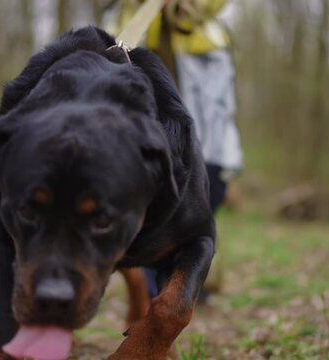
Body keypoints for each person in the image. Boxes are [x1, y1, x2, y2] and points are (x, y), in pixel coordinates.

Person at [105, 0, 243, 299]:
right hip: (135, 48)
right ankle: (153, 279)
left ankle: (185, 268)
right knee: (142, 173)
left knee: (211, 177)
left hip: (200, 55)